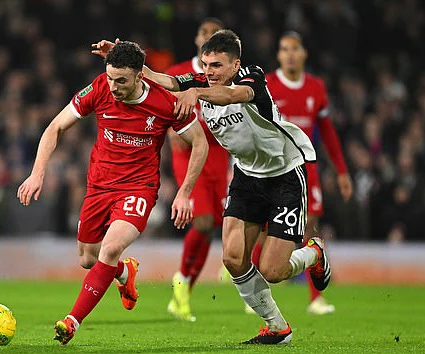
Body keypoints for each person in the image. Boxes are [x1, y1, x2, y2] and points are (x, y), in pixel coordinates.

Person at [92, 30, 330, 345]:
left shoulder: (252, 79)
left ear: (235, 65)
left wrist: (198, 94)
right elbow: (165, 80)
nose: (209, 72)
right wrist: (123, 55)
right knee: (233, 259)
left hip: (283, 175)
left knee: (273, 270)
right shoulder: (204, 81)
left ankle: (314, 253)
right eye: (205, 65)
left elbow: (234, 96)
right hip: (247, 177)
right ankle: (277, 328)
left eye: (217, 65)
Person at [17, 41, 208, 345]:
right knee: (87, 258)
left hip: (138, 189)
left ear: (139, 76)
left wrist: (185, 191)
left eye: (122, 81)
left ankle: (72, 321)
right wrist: (37, 173)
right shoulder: (99, 89)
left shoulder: (165, 102)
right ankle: (124, 273)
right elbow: (55, 127)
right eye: (110, 78)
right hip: (99, 186)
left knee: (109, 249)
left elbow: (200, 143)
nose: (114, 87)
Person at [247, 31, 353, 315]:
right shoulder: (265, 84)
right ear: (279, 55)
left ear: (304, 53)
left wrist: (342, 171)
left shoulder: (316, 88)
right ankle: (259, 293)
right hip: (271, 166)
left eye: (295, 48)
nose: (290, 54)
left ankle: (314, 298)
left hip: (306, 167)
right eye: (284, 49)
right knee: (261, 230)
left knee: (310, 227)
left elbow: (328, 133)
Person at [164, 17, 229, 322]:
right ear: (196, 39)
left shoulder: (226, 76)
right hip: (189, 153)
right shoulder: (179, 73)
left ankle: (183, 292)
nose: (208, 37)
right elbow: (160, 104)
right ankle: (181, 278)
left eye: (214, 34)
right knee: (202, 221)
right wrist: (169, 131)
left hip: (219, 153)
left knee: (212, 225)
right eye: (205, 33)